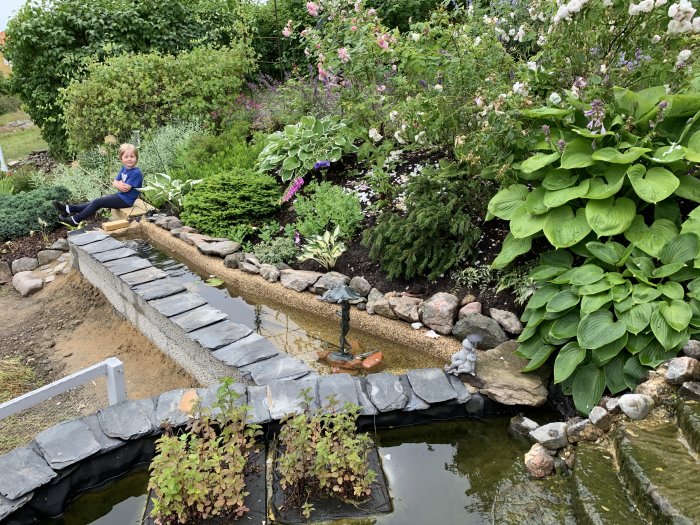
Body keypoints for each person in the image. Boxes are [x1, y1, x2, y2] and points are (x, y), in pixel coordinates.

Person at [55, 143, 143, 225]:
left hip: (126, 201)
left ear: (137, 158)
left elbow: (125, 188)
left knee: (98, 202)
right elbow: (115, 182)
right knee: (94, 202)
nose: (129, 159)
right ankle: (68, 209)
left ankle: (75, 220)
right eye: (126, 156)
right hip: (121, 196)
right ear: (121, 158)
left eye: (132, 156)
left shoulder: (136, 172)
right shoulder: (124, 169)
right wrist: (118, 184)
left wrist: (118, 184)